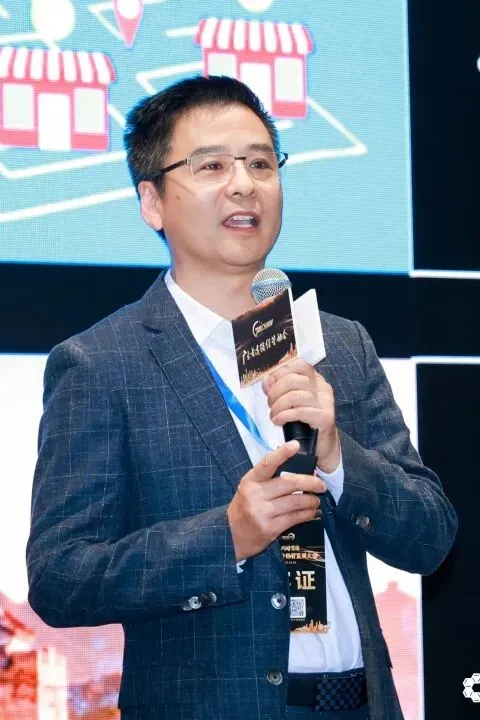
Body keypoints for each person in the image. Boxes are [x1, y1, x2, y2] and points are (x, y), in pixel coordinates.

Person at [26, 76, 457, 720]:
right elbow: (61, 577)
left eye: (260, 163)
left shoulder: (341, 346)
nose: (243, 184)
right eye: (212, 166)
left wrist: (338, 458)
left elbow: (431, 537)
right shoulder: (101, 364)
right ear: (152, 202)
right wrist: (224, 537)